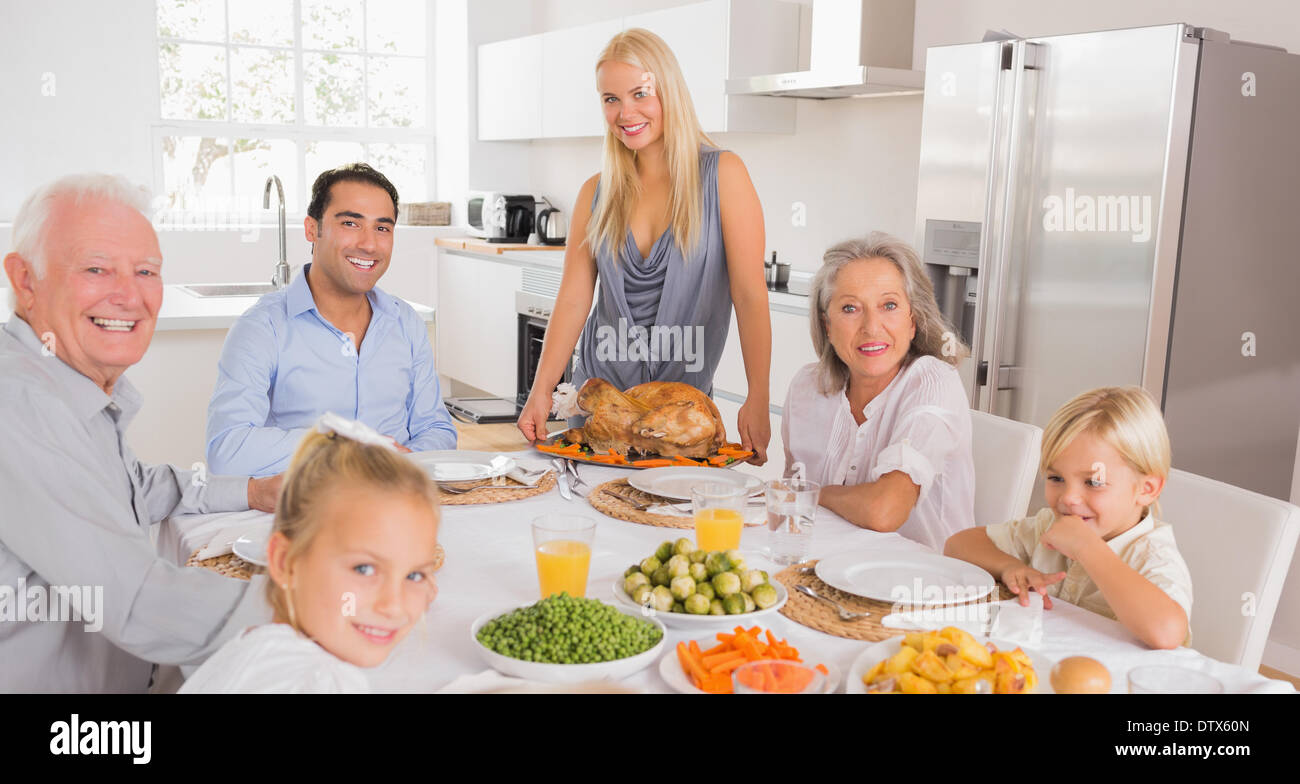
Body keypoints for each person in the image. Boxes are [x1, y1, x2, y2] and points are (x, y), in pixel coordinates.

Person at [0, 174, 282, 692]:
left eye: (146, 271)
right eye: (95, 268)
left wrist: (252, 490)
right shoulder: (19, 402)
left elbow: (131, 488)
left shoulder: (56, 382)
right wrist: (323, 603)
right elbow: (140, 602)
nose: (129, 296)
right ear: (25, 280)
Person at [516, 28, 773, 464]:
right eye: (610, 98)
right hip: (600, 409)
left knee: (671, 525)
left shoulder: (723, 175)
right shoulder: (595, 192)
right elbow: (574, 298)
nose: (624, 112)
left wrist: (758, 396)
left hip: (680, 420)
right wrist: (541, 391)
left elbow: (749, 295)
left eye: (640, 93)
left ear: (668, 92)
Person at [207, 163, 456, 477]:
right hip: (308, 508)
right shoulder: (262, 327)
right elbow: (227, 450)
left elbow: (436, 428)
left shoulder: (406, 323)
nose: (369, 244)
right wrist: (350, 450)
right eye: (351, 223)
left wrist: (399, 465)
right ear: (312, 229)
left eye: (382, 228)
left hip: (399, 499)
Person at [181, 414, 442, 693]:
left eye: (414, 575)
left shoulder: (260, 649)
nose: (393, 605)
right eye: (364, 569)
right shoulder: (318, 683)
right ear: (286, 562)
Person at [945, 386, 1192, 649]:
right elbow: (958, 544)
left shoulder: (1153, 555)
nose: (1068, 497)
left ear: (1146, 489)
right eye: (1056, 478)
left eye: (1093, 482)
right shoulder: (1047, 527)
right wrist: (1010, 567)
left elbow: (1167, 632)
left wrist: (1088, 548)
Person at [782, 233, 975, 551]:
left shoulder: (934, 383)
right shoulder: (806, 388)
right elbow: (791, 513)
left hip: (926, 587)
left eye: (889, 305)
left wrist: (814, 494)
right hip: (829, 574)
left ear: (912, 321)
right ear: (827, 324)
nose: (872, 326)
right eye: (849, 308)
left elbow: (884, 510)